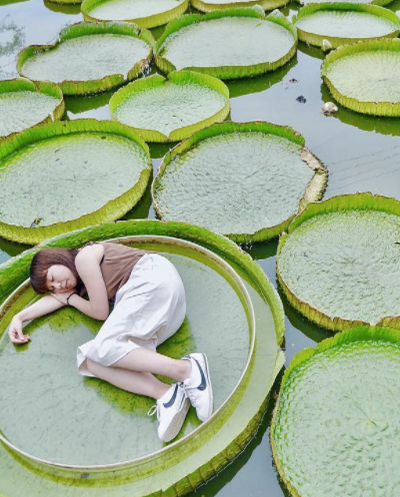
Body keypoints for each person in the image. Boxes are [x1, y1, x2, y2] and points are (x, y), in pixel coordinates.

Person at [8, 242, 213, 443]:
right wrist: (19, 317)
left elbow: (100, 312)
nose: (59, 286)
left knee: (105, 346)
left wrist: (69, 299)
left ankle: (186, 370)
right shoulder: (77, 284)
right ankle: (167, 395)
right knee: (92, 360)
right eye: (52, 287)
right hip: (163, 310)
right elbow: (57, 298)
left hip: (152, 281)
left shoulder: (83, 258)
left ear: (57, 258)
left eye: (53, 277)